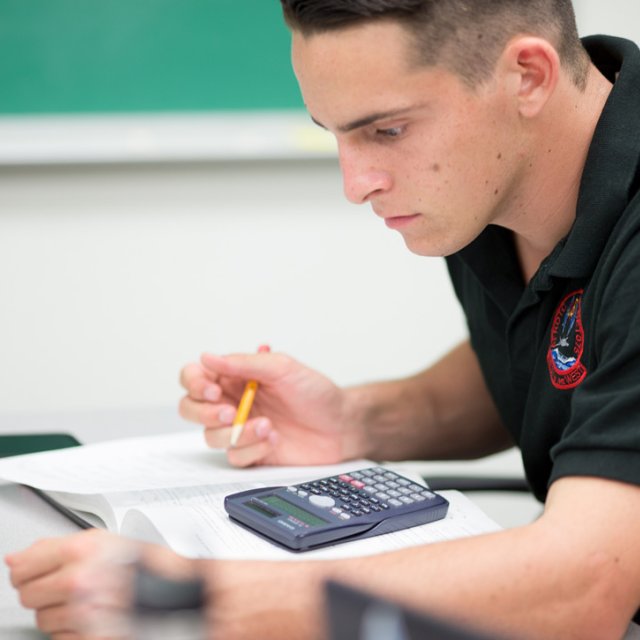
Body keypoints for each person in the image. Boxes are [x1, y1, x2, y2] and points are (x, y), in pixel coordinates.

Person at [6, 0, 640, 638]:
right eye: (332, 132)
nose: (356, 184)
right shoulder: (490, 189)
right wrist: (356, 421)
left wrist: (188, 595)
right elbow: (562, 356)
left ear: (527, 75)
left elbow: (583, 585)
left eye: (387, 131)